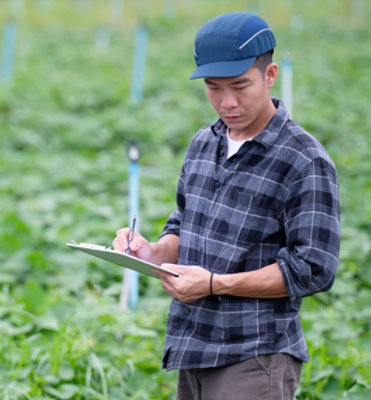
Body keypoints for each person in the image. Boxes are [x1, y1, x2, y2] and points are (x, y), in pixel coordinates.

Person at [113, 12, 340, 400]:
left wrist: (217, 285)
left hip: (254, 354)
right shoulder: (204, 143)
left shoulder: (304, 160)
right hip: (193, 344)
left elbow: (313, 268)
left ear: (270, 75)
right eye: (213, 88)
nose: (227, 102)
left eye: (240, 86)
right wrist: (150, 251)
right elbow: (185, 225)